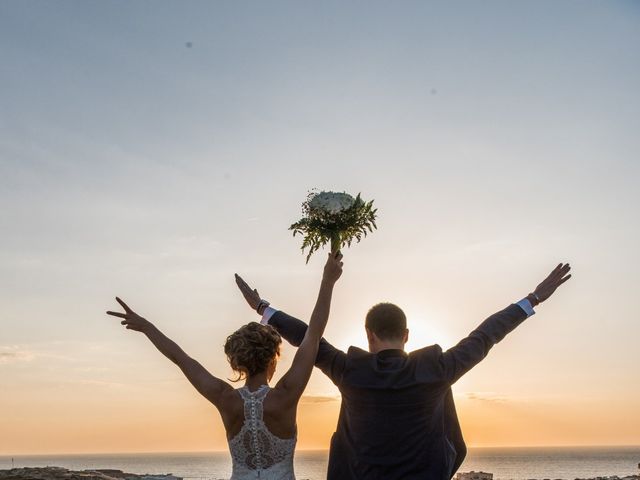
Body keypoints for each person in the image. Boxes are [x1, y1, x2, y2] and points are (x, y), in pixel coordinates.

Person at [235, 263, 572, 480]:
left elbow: (308, 338)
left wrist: (264, 308)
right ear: (407, 336)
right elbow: (485, 335)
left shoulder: (350, 370)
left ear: (368, 334)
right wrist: (532, 299)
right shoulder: (436, 369)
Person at [107, 252, 344, 480]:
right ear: (273, 358)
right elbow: (313, 333)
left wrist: (147, 327)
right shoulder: (286, 395)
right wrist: (328, 280)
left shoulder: (224, 397)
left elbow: (180, 358)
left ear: (237, 362)